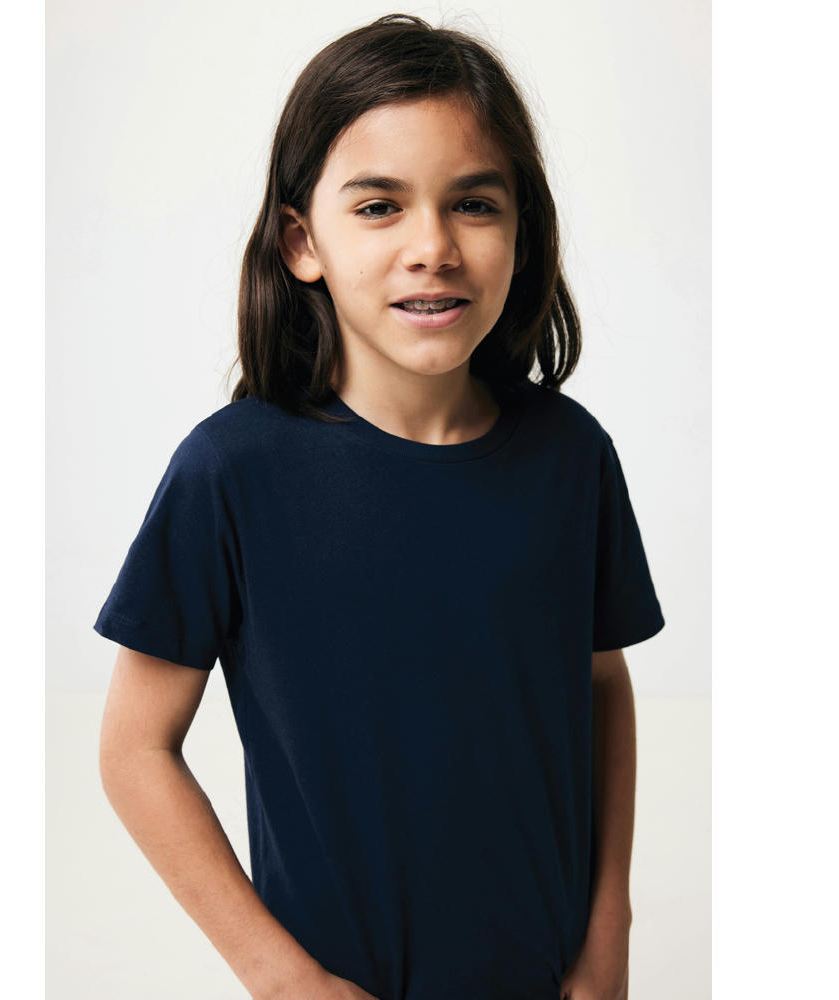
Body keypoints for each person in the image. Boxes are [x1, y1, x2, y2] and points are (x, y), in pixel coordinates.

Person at [93, 13, 664, 1000]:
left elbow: (600, 683)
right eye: (379, 206)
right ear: (301, 242)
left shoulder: (572, 457)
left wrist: (608, 928)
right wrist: (282, 979)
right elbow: (134, 748)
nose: (432, 247)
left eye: (473, 203)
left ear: (521, 231)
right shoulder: (230, 473)